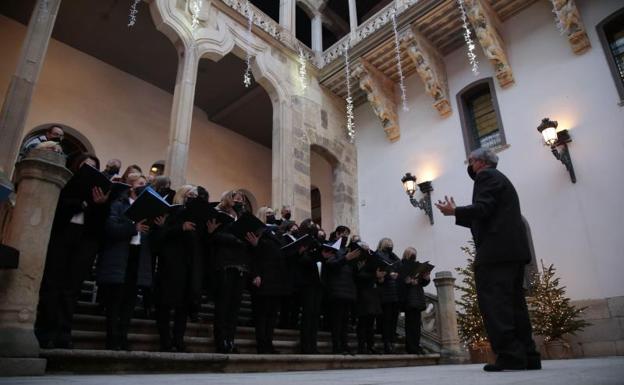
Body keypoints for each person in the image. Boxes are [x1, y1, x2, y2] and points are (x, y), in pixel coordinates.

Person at [435, 147, 541, 372]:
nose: (470, 166)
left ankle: (510, 357)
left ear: (481, 162)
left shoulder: (486, 176)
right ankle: (528, 356)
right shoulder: (499, 178)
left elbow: (483, 208)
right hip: (511, 252)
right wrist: (458, 214)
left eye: (471, 161)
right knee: (514, 306)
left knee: (496, 306)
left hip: (495, 252)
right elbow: (490, 214)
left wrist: (455, 212)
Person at [35, 153, 108, 349]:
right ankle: (45, 331)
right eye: (86, 165)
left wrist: (99, 205)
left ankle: (63, 333)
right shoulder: (66, 185)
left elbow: (100, 225)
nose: (89, 168)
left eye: (94, 167)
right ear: (77, 166)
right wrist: (82, 203)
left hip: (85, 240)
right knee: (52, 285)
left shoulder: (99, 193)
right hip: (63, 235)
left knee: (72, 289)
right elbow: (56, 210)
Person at [96, 173, 164, 350]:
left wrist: (159, 226)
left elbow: (155, 243)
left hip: (139, 256)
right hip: (120, 255)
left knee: (129, 302)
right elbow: (110, 228)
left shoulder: (150, 209)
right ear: (131, 186)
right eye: (141, 183)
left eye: (146, 184)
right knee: (115, 301)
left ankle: (123, 337)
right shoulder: (119, 204)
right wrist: (133, 228)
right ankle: (112, 338)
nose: (144, 186)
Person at [154, 185, 200, 352]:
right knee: (165, 304)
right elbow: (161, 235)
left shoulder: (196, 216)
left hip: (189, 264)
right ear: (182, 195)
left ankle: (178, 340)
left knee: (183, 306)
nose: (193, 197)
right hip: (171, 264)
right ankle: (166, 341)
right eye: (190, 194)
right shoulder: (171, 212)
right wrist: (181, 228)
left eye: (196, 195)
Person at [321, 239, 360, 354]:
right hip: (336, 293)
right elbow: (332, 265)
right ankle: (337, 346)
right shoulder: (333, 255)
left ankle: (345, 345)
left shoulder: (347, 260)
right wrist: (345, 258)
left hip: (347, 293)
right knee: (337, 322)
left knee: (344, 322)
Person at [353, 241, 383, 354]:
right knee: (362, 323)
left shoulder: (371, 259)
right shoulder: (356, 261)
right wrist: (375, 275)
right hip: (361, 294)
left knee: (371, 322)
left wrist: (378, 277)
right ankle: (362, 346)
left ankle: (371, 345)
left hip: (372, 293)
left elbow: (377, 262)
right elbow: (358, 275)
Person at [399, 247, 429, 355]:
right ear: (406, 254)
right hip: (408, 298)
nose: (413, 256)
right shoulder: (401, 265)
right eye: (411, 254)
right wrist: (407, 282)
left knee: (417, 325)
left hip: (417, 297)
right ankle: (411, 347)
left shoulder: (418, 266)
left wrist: (426, 278)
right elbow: (399, 282)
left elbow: (423, 283)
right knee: (410, 325)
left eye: (414, 254)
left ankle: (416, 345)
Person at [375, 237, 401, 354]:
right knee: (387, 319)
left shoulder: (393, 256)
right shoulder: (378, 255)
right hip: (384, 291)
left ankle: (392, 342)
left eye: (391, 243)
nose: (390, 244)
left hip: (395, 291)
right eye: (387, 243)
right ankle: (387, 343)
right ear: (382, 244)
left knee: (394, 320)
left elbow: (399, 264)